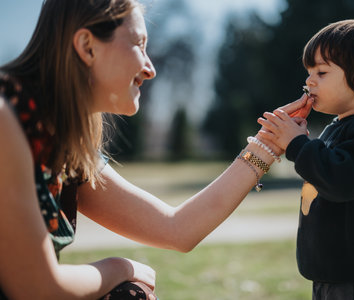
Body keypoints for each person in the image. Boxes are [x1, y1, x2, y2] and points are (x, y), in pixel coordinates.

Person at [0, 0, 309, 299]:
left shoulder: (62, 145)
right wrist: (119, 267)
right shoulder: (6, 118)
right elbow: (37, 288)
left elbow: (176, 228)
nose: (150, 69)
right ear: (87, 46)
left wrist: (267, 143)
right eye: (139, 44)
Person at [258, 19, 354, 300]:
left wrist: (297, 144)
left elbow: (340, 180)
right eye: (309, 72)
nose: (309, 80)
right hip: (335, 277)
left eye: (322, 72)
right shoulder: (339, 128)